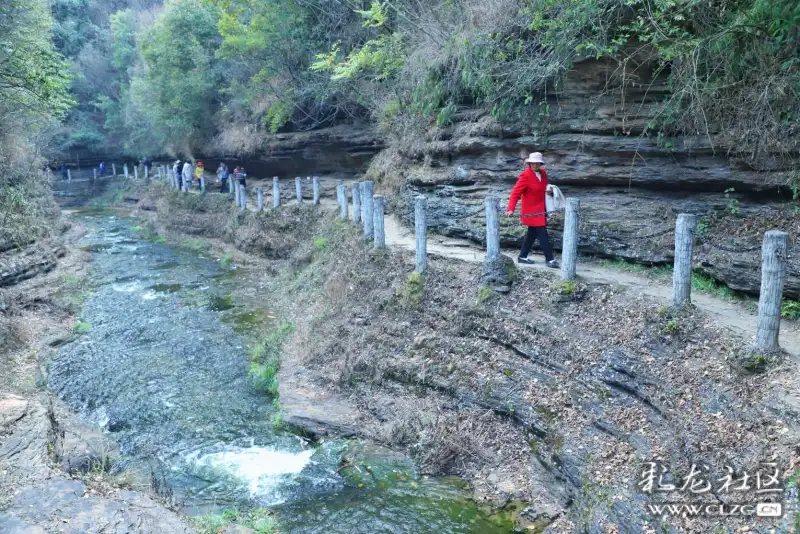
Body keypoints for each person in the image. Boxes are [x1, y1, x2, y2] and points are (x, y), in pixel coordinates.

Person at [505, 152, 559, 268]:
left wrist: (549, 191)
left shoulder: (543, 173)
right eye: (532, 163)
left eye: (537, 163)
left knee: (532, 234)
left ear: (540, 163)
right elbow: (515, 193)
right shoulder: (525, 175)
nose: (534, 165)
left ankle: (522, 257)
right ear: (529, 163)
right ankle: (550, 259)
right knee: (543, 234)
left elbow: (544, 187)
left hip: (541, 209)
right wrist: (510, 209)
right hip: (531, 211)